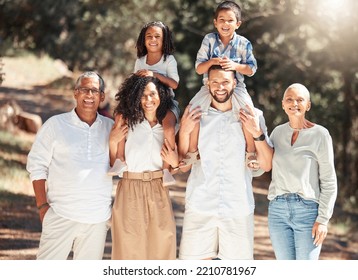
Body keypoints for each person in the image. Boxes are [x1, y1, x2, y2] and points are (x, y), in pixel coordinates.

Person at [178, 65, 273, 260]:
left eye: (225, 82)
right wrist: (185, 131)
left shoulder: (253, 117)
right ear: (208, 84)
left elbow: (266, 165)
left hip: (237, 207)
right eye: (215, 82)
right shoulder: (195, 116)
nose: (220, 87)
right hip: (200, 205)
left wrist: (257, 133)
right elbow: (183, 165)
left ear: (235, 83)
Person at [240, 83, 338, 260]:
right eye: (290, 99)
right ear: (283, 104)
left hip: (307, 211)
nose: (294, 103)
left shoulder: (320, 135)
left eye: (300, 100)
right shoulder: (278, 132)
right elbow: (265, 166)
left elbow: (329, 181)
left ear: (308, 105)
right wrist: (254, 166)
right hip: (277, 210)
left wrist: (323, 219)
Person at [26, 71, 114, 260]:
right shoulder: (55, 125)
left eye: (94, 90)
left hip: (97, 220)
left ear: (102, 96)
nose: (89, 95)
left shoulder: (111, 128)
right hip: (60, 215)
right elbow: (36, 165)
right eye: (84, 89)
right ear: (75, 93)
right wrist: (42, 206)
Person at [110, 74, 179, 260]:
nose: (148, 100)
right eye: (143, 95)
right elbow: (111, 159)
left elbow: (178, 164)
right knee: (128, 247)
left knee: (163, 244)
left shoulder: (166, 126)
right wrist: (112, 143)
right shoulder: (129, 122)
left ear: (161, 95)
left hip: (158, 186)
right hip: (130, 186)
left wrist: (175, 163)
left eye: (152, 94)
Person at [189, 0, 259, 170]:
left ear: (238, 24)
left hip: (236, 86)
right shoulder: (209, 40)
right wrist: (212, 61)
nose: (225, 24)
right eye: (221, 20)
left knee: (248, 110)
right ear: (215, 22)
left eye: (230, 20)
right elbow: (199, 68)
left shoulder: (243, 43)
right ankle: (192, 152)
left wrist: (235, 66)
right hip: (209, 86)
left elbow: (252, 68)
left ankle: (250, 151)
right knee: (192, 110)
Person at [109, 21, 179, 186]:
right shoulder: (140, 60)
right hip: (144, 100)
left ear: (164, 40)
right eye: (149, 36)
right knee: (120, 116)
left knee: (168, 128)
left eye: (157, 36)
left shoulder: (169, 60)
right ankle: (120, 159)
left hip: (166, 102)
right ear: (143, 39)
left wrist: (153, 74)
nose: (153, 39)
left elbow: (174, 84)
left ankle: (166, 169)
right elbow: (136, 83)